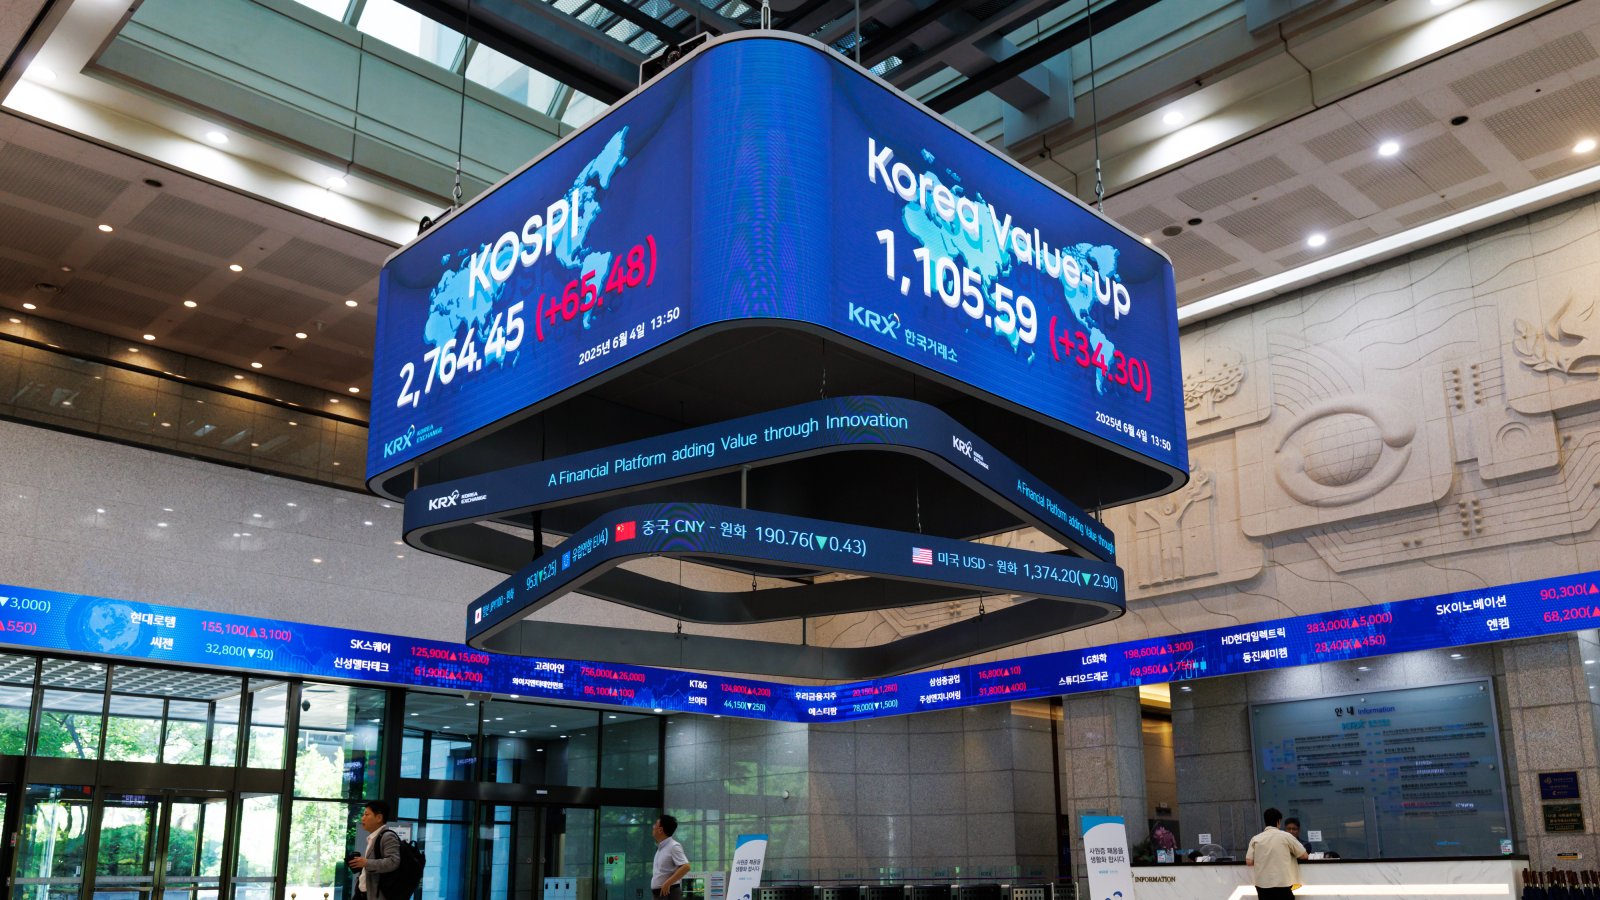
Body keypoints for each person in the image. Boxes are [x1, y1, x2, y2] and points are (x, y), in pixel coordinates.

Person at [1246, 807, 1307, 900]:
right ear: (1278, 821)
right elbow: (1304, 855)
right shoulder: (1286, 836)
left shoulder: (1256, 839)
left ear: (1265, 822)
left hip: (1262, 886)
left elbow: (1249, 862)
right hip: (1282, 884)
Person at [349, 800, 403, 900]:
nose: (362, 818)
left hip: (375, 895)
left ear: (379, 818)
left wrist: (366, 863)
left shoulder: (388, 836)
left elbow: (393, 862)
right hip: (362, 893)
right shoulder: (374, 837)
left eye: (366, 814)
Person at [651, 814, 691, 900]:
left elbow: (686, 866)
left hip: (669, 893)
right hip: (660, 894)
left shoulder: (673, 846)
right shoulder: (661, 848)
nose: (653, 826)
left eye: (655, 824)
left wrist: (668, 883)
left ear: (660, 830)